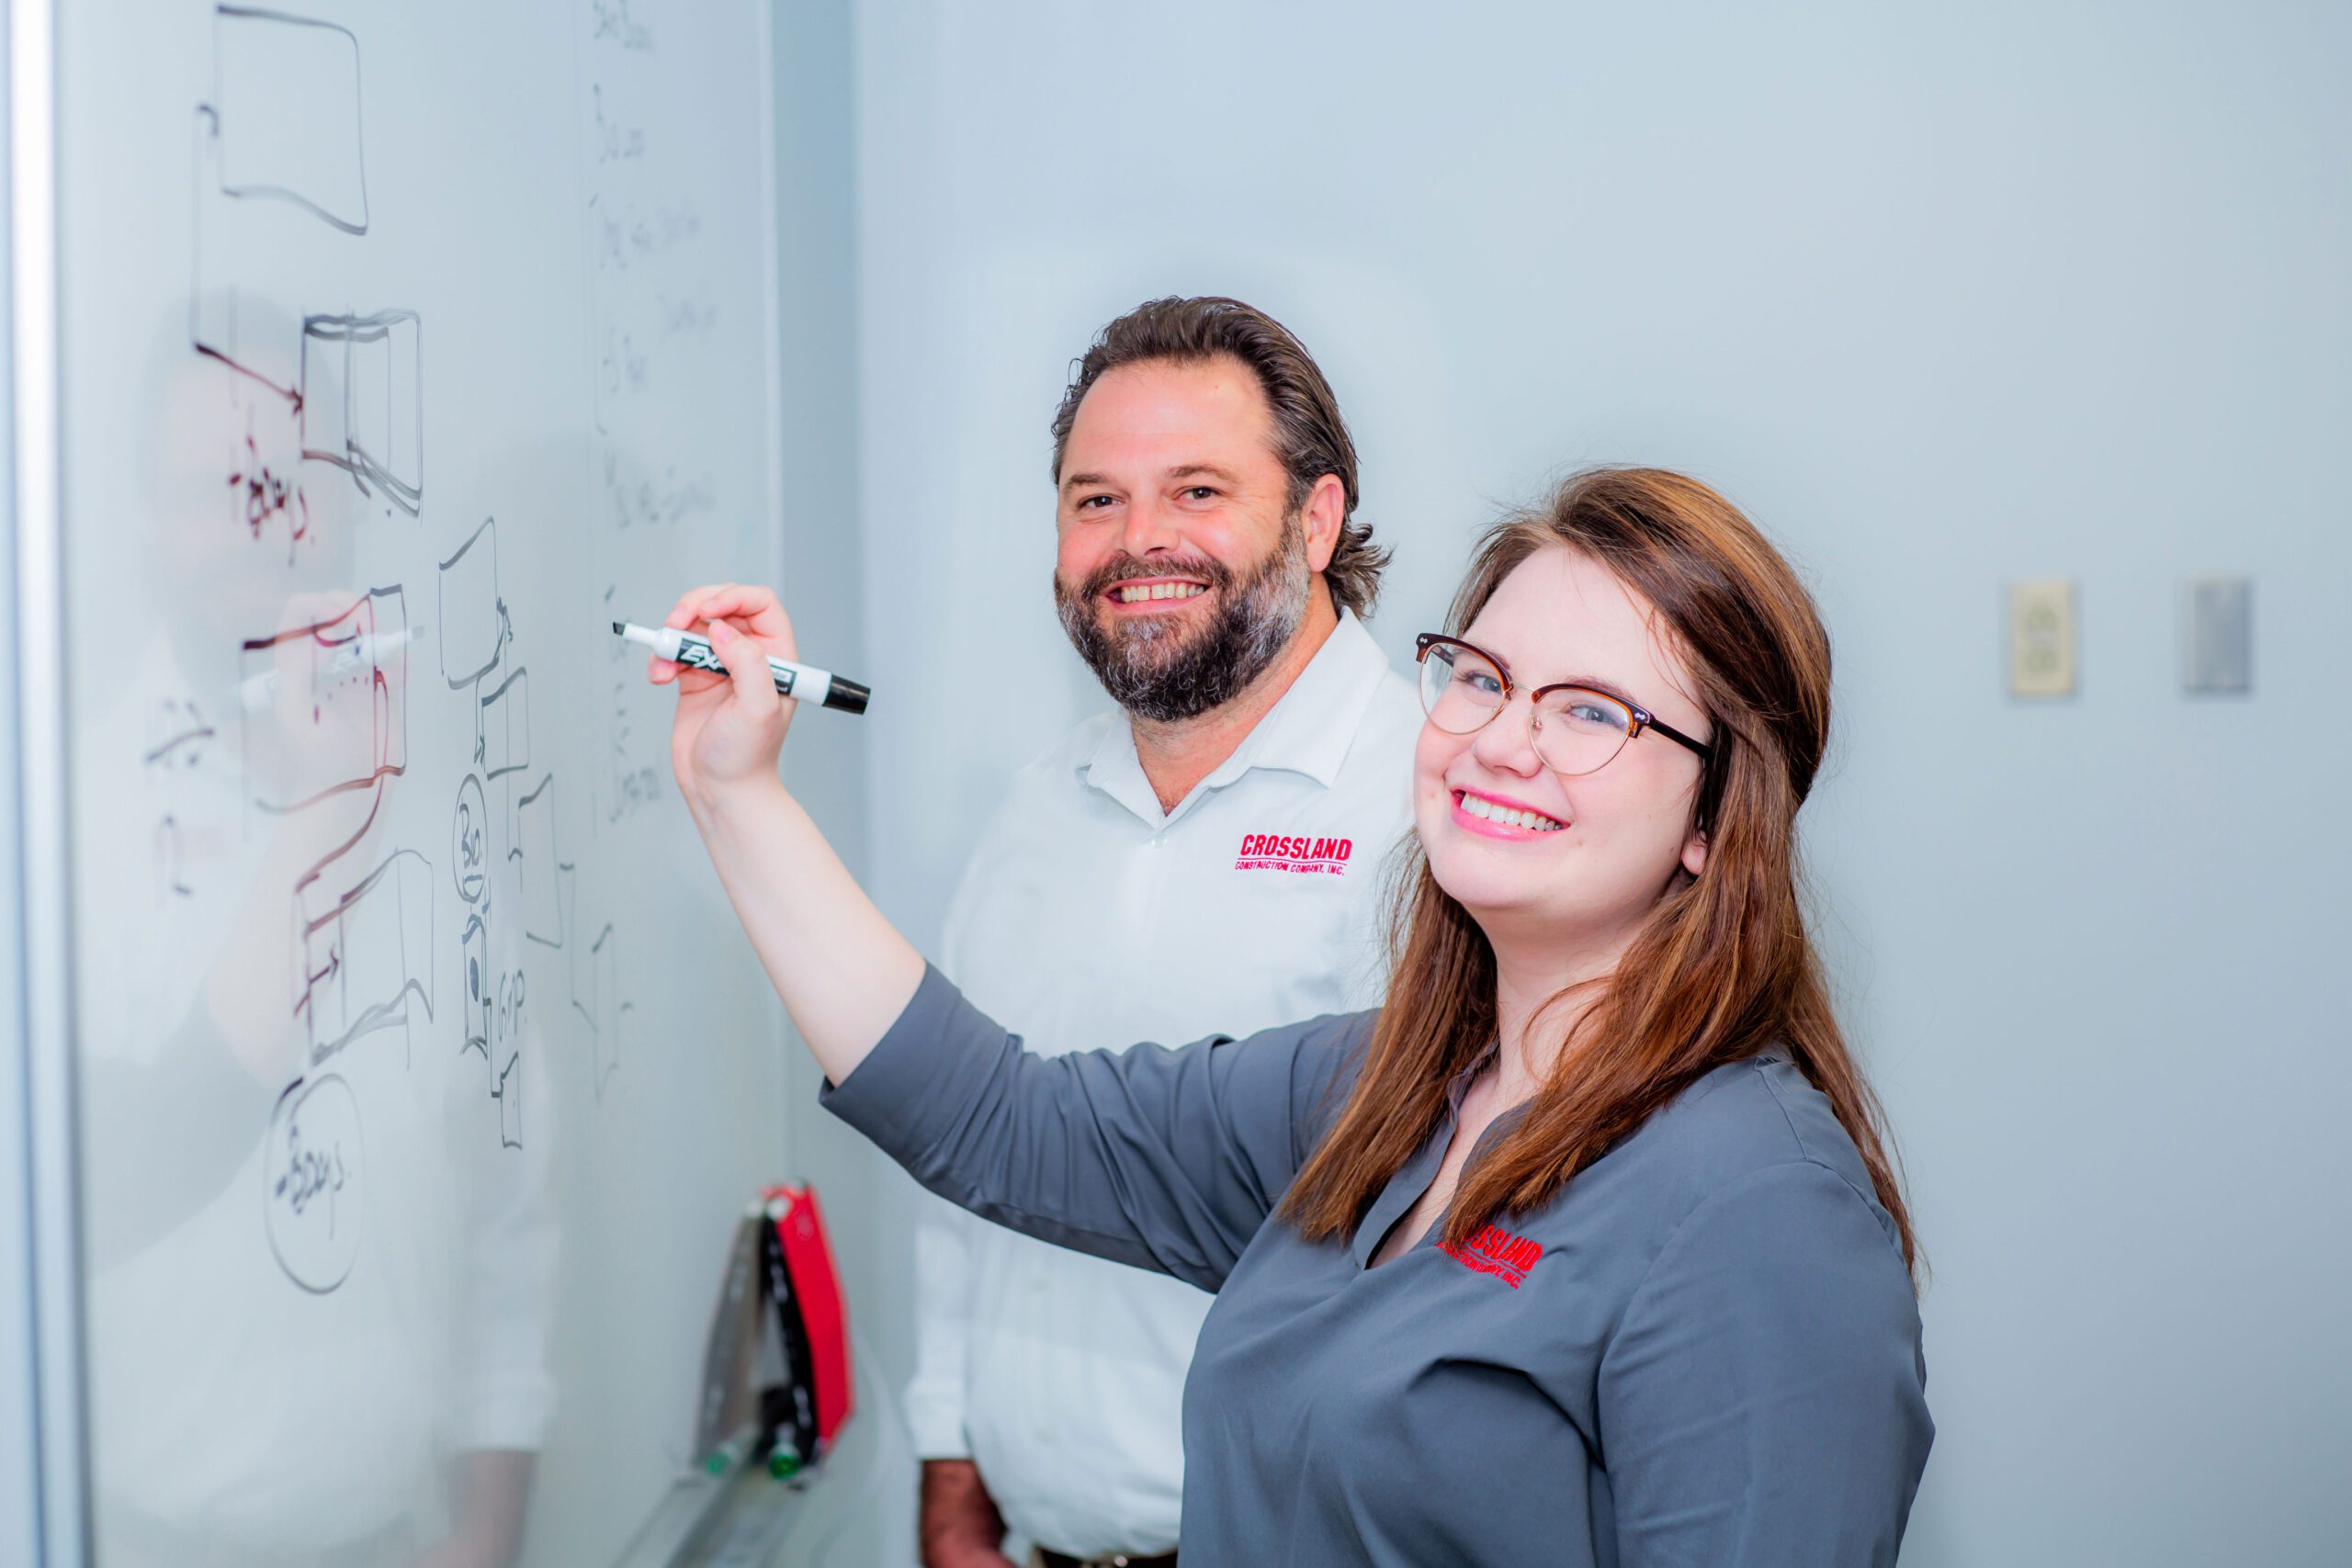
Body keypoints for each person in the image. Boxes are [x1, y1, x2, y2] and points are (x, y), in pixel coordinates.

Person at [651, 466, 1934, 1566]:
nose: (1502, 741)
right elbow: (999, 1120)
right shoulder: (1377, 1092)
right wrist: (736, 792)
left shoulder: (1762, 1212)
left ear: (1718, 822)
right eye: (1483, 677)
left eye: (1593, 711)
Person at [910, 297, 1421, 1566]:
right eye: (1096, 500)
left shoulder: (1437, 800)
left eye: (1197, 490)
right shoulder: (1037, 812)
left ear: (1317, 516)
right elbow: (970, 1169)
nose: (1140, 542)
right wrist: (952, 1470)